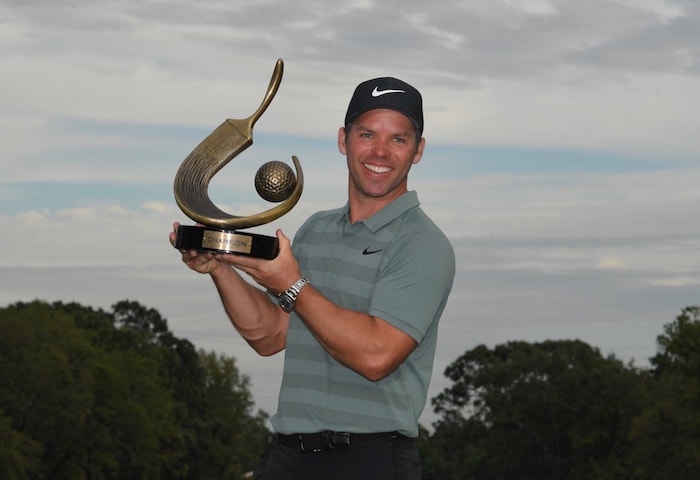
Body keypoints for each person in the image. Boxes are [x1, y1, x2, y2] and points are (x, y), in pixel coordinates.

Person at [170, 76, 455, 479]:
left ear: (418, 150)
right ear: (344, 139)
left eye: (398, 139)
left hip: (369, 460)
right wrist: (220, 268)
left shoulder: (424, 244)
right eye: (367, 134)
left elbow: (376, 355)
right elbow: (271, 334)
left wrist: (291, 284)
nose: (380, 152)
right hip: (289, 456)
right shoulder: (315, 230)